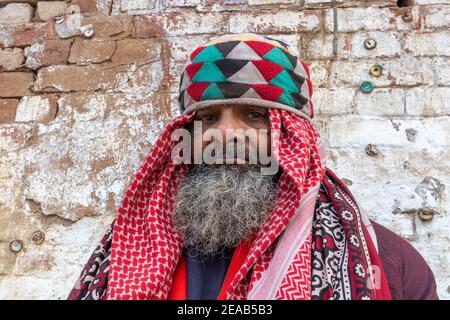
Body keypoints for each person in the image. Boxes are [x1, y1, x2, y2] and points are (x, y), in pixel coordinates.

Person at [68, 33, 438, 300]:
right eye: (208, 118)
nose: (226, 135)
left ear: (293, 136)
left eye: (254, 115)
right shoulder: (122, 256)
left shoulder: (392, 265)